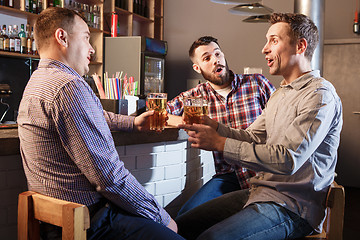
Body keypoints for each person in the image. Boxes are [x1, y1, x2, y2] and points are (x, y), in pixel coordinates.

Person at [17, 7, 184, 240]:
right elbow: (109, 179)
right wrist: (160, 216)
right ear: (62, 37)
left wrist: (133, 123)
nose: (92, 48)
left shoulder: (37, 81)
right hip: (90, 224)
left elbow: (93, 115)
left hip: (55, 221)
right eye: (86, 38)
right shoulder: (68, 87)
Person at [176, 13, 343, 240]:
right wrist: (216, 128)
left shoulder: (319, 95)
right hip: (260, 193)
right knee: (179, 226)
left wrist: (220, 142)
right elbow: (252, 136)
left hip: (293, 207)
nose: (264, 49)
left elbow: (287, 159)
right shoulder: (281, 93)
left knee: (212, 238)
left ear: (300, 46)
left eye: (274, 41)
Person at [166, 36, 275, 215]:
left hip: (262, 171)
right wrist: (185, 122)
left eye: (217, 54)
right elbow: (158, 112)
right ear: (197, 67)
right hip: (228, 176)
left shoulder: (257, 84)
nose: (215, 60)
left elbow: (283, 118)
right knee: (185, 217)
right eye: (207, 58)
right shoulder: (194, 97)